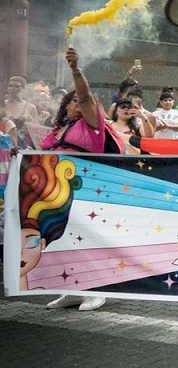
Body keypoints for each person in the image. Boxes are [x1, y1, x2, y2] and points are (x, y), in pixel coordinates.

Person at [42, 47, 119, 312]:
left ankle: (95, 290)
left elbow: (85, 95)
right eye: (72, 101)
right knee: (59, 238)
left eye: (81, 101)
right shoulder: (57, 129)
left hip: (83, 187)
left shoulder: (92, 125)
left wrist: (76, 70)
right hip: (54, 189)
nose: (78, 103)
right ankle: (70, 290)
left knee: (83, 238)